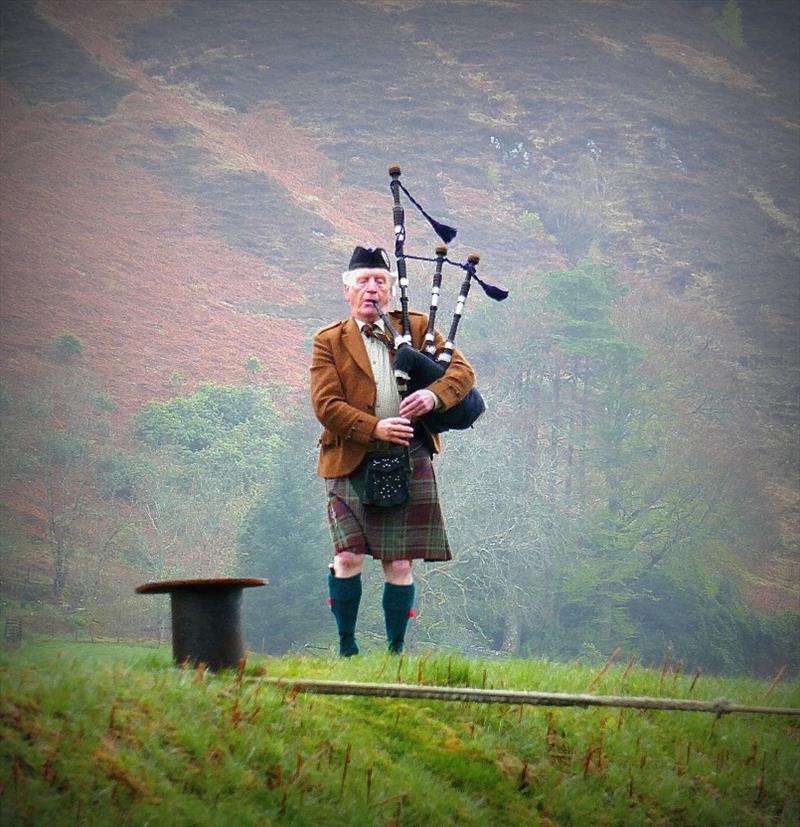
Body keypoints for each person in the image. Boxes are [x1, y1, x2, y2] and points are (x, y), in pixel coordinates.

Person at [310, 245, 476, 656]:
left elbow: (463, 373)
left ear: (390, 289)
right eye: (363, 282)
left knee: (399, 563)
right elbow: (325, 405)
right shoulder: (329, 341)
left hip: (408, 456)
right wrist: (375, 426)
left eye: (380, 281)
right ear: (347, 290)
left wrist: (434, 398)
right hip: (350, 460)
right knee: (347, 555)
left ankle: (395, 653)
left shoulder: (417, 328)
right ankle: (347, 649)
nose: (372, 290)